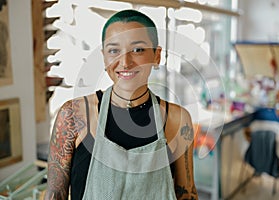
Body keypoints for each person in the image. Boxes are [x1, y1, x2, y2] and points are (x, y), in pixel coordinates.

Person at [45, 9, 198, 200]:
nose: (125, 62)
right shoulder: (74, 115)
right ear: (104, 56)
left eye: (137, 50)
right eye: (114, 50)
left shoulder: (177, 119)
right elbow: (55, 195)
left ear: (157, 56)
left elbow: (187, 194)